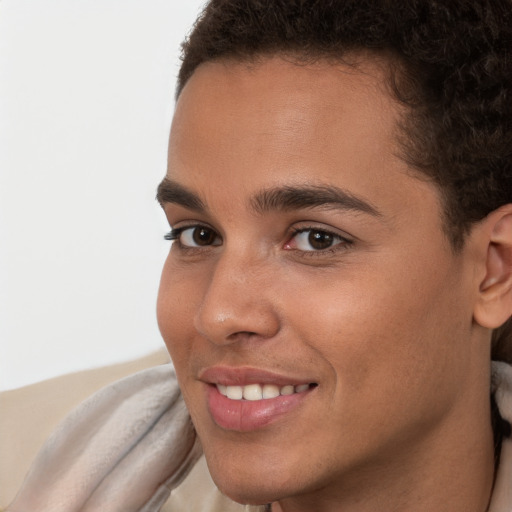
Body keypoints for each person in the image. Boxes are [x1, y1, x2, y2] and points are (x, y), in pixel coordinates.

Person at [6, 1, 512, 511]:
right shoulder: (22, 474)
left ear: (496, 269)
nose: (218, 313)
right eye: (198, 235)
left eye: (316, 239)